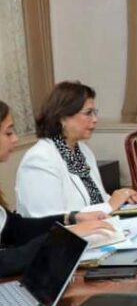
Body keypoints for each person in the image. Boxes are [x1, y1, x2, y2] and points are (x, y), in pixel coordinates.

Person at [0, 100, 115, 277]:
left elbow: (15, 227)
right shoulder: (41, 157)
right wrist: (65, 235)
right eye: (8, 133)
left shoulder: (83, 150)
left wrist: (72, 218)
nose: (15, 139)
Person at [15, 82, 137, 218]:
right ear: (63, 117)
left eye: (94, 112)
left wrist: (123, 198)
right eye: (88, 113)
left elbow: (96, 199)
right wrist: (110, 205)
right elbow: (51, 220)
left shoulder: (83, 150)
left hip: (97, 227)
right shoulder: (40, 159)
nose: (95, 119)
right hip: (66, 232)